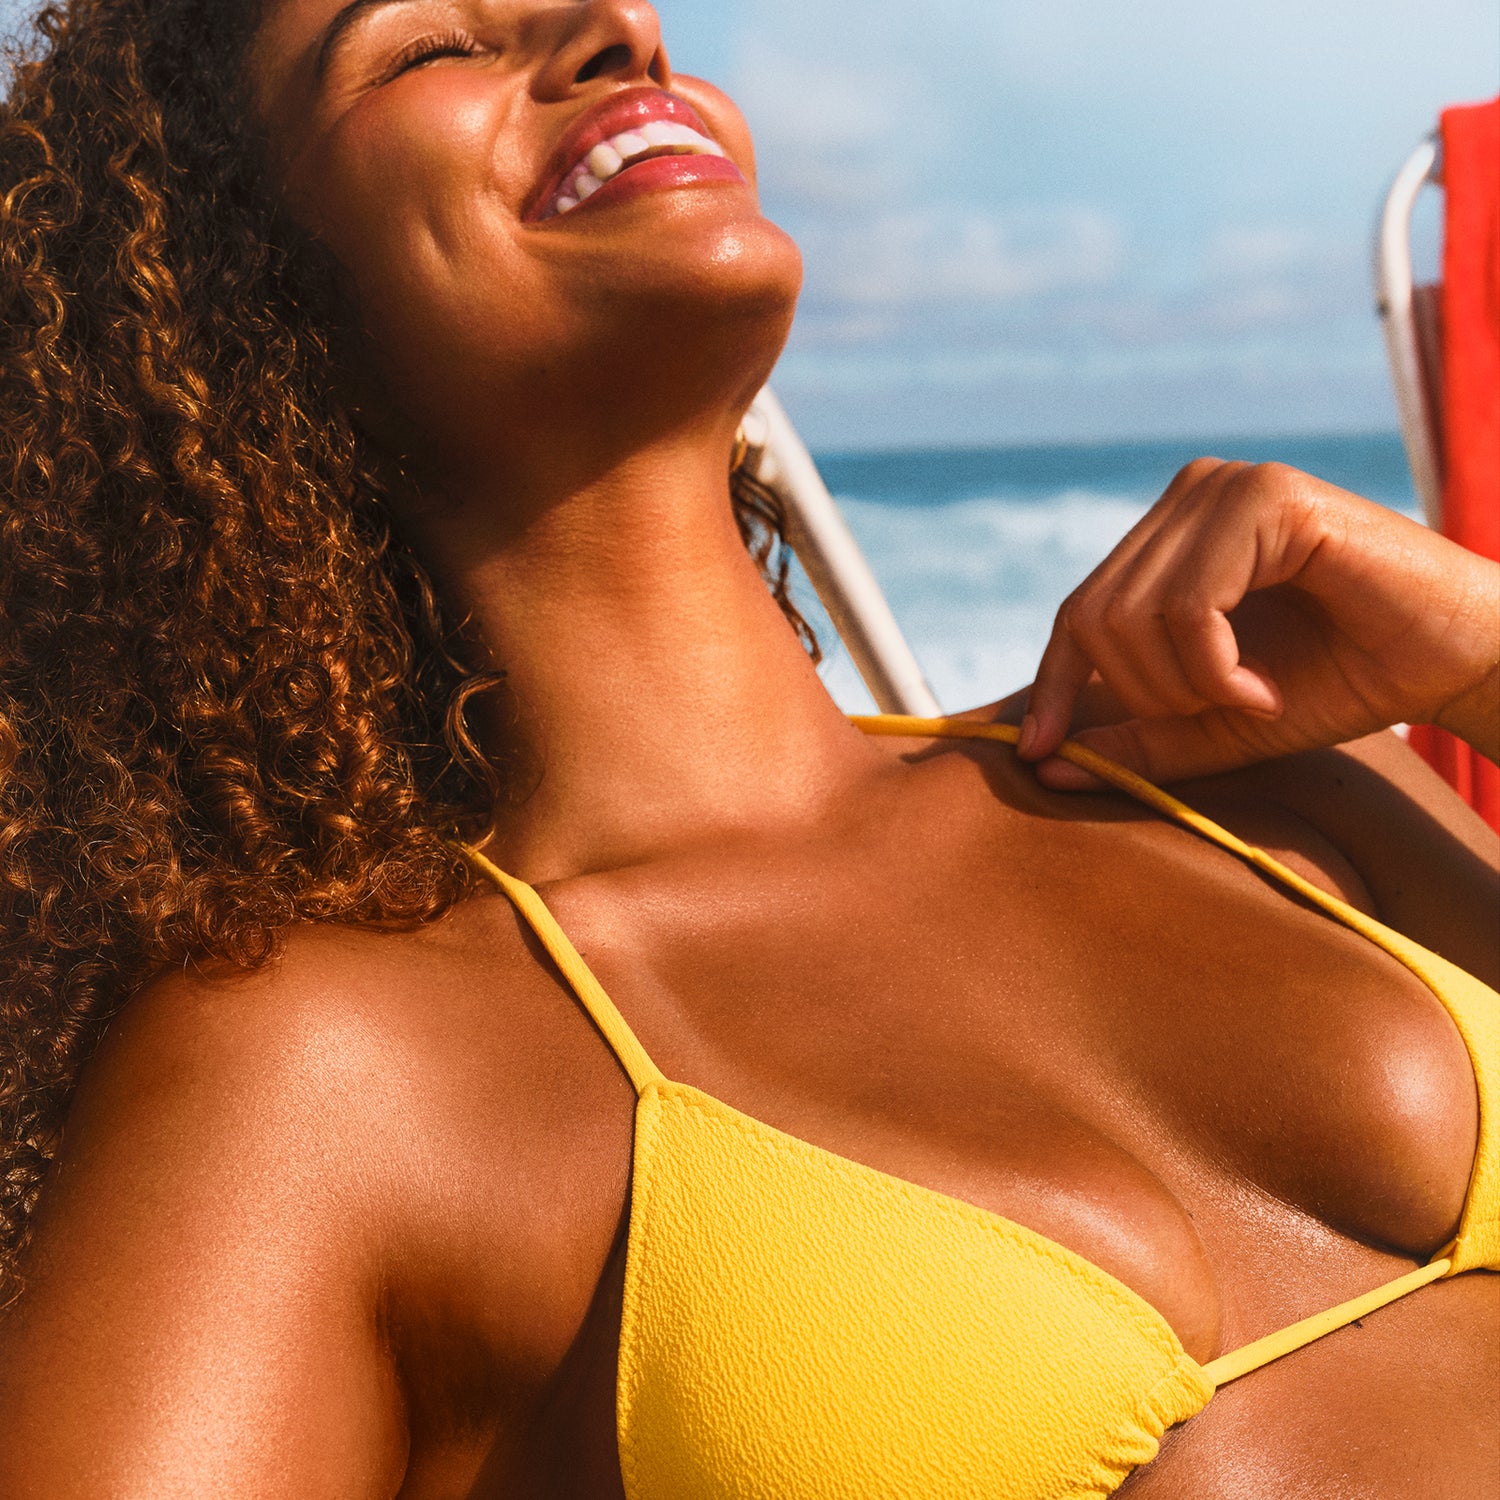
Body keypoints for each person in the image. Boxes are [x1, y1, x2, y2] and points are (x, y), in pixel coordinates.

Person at [0, 0, 1493, 1495]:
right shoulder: (332, 1077)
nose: (614, 31)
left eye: (613, 3)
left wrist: (1486, 657)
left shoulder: (1248, 765)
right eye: (432, 45)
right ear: (227, 295)